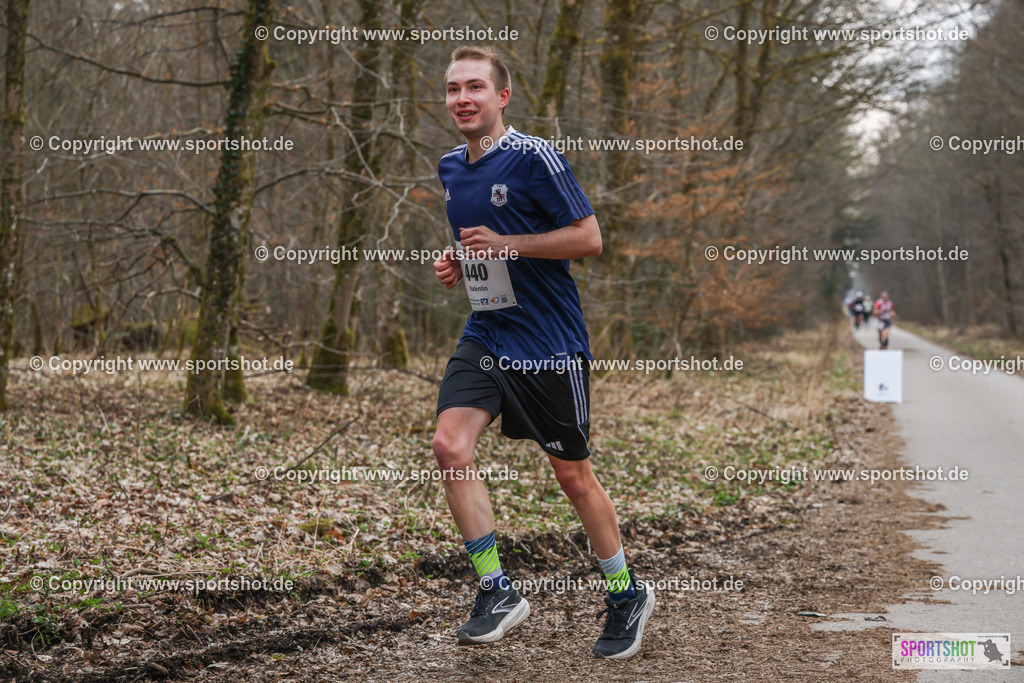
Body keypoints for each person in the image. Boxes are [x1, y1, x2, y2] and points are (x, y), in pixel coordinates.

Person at [431, 45, 654, 660]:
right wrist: (457, 259)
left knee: (573, 476)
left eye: (475, 87)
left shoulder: (535, 158)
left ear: (502, 97)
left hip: (550, 343)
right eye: (453, 89)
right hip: (488, 333)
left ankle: (625, 592)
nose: (462, 99)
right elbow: (480, 245)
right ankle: (496, 588)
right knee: (450, 445)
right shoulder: (451, 167)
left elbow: (589, 237)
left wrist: (511, 244)